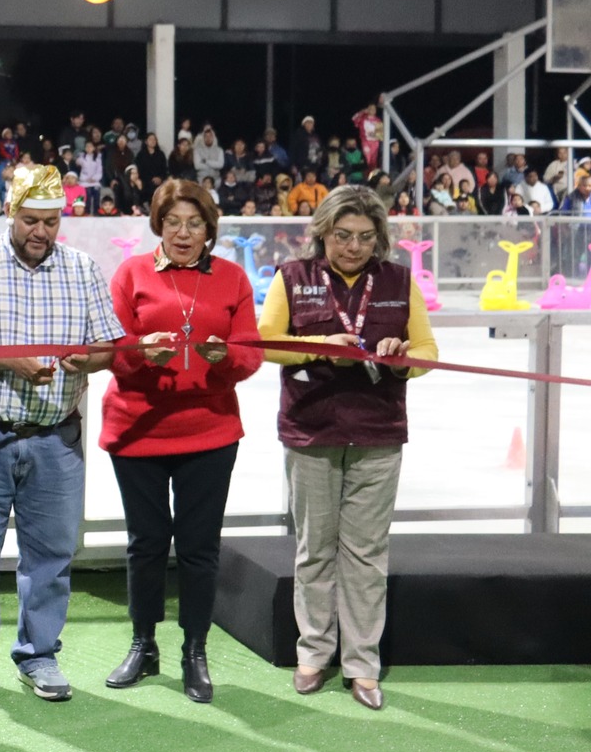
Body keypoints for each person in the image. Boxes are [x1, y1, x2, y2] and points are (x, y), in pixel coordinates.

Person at [0, 164, 123, 703]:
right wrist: (7, 362)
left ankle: (39, 655)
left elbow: (108, 346)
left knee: (52, 554)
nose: (40, 231)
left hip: (55, 437)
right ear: (9, 214)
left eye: (50, 221)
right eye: (30, 220)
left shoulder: (83, 268)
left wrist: (88, 360)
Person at [258, 185, 435, 711]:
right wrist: (314, 349)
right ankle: (313, 653)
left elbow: (427, 351)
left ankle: (362, 663)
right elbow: (264, 343)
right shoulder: (293, 277)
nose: (353, 246)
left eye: (364, 237)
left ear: (379, 238)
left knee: (365, 553)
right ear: (323, 234)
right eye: (342, 236)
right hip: (311, 431)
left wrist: (403, 356)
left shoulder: (400, 281)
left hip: (378, 433)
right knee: (314, 548)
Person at [99, 180, 263, 703]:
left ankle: (196, 648)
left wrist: (227, 360)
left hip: (209, 431)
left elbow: (252, 353)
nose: (184, 233)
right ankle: (143, 643)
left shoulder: (232, 278)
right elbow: (112, 350)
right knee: (145, 545)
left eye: (194, 223)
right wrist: (141, 354)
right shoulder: (131, 274)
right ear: (158, 226)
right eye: (173, 222)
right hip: (139, 430)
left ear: (209, 229)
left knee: (198, 550)